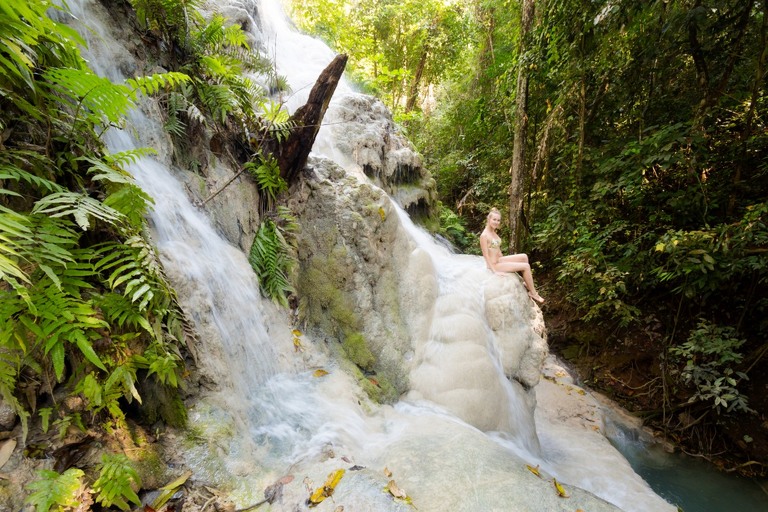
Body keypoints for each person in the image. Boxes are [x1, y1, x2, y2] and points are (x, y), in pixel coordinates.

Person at [480, 207, 544, 303]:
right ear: (489, 219)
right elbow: (485, 255)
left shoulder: (493, 232)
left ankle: (526, 282)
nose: (496, 222)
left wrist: (505, 260)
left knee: (524, 257)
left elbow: (497, 249)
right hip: (494, 265)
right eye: (494, 219)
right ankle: (533, 293)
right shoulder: (484, 235)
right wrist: (494, 271)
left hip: (499, 260)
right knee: (526, 266)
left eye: (498, 220)